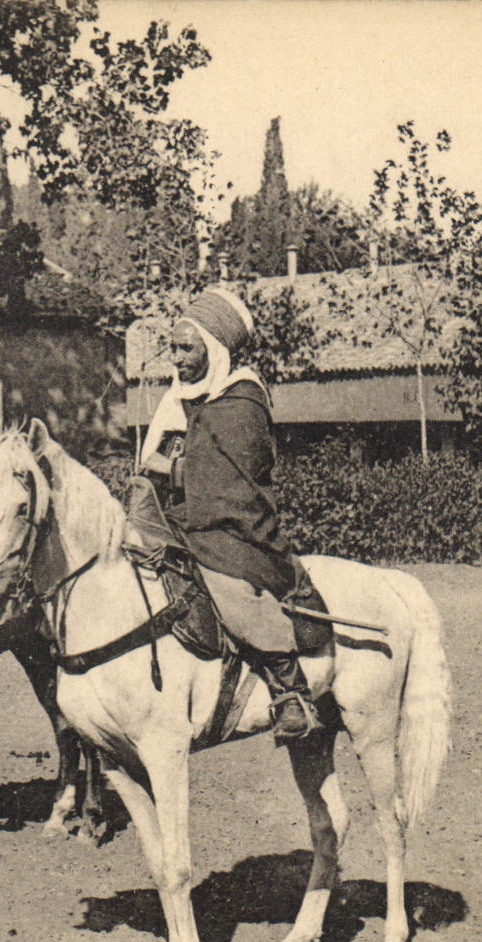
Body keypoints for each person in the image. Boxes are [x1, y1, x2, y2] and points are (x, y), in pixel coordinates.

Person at [132, 287, 330, 742]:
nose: (176, 358)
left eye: (186, 348)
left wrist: (171, 469)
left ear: (214, 348)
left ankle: (289, 688)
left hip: (233, 526)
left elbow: (233, 482)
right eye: (173, 347)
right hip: (178, 518)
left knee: (230, 586)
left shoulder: (242, 401)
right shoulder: (180, 397)